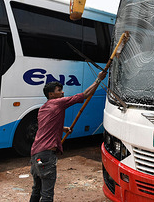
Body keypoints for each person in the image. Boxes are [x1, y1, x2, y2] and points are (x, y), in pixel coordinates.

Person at [29, 71, 106, 202]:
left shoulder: (43, 108)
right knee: (47, 194)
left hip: (35, 155)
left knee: (37, 190)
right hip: (46, 155)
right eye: (59, 90)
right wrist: (98, 80)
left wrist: (62, 128)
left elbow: (45, 126)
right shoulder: (58, 103)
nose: (63, 92)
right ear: (51, 94)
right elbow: (85, 95)